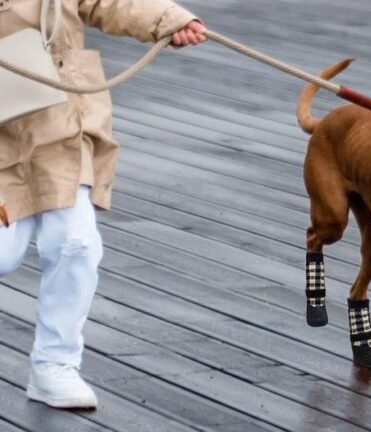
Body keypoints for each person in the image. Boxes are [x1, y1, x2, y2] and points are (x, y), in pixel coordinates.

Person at [0, 0, 206, 409]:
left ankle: (54, 365)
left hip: (62, 121)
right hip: (5, 133)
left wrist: (170, 20)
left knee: (76, 243)